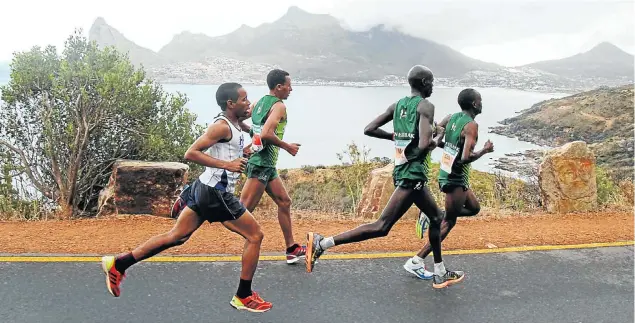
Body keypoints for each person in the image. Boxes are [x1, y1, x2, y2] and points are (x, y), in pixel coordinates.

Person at [101, 83, 273, 313]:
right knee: (255, 235)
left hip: (204, 188)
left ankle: (119, 264)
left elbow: (233, 147)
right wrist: (227, 165)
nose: (248, 102)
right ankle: (243, 295)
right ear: (230, 104)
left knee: (176, 236)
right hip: (215, 193)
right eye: (244, 99)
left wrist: (246, 151)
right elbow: (191, 153)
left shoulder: (235, 124)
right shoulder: (221, 127)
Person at [305, 65, 465, 289]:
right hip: (412, 174)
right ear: (424, 84)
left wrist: (395, 136)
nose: (433, 86)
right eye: (432, 82)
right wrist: (439, 135)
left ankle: (438, 272)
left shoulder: (397, 105)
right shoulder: (426, 106)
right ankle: (323, 243)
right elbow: (424, 145)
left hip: (403, 170)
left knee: (437, 218)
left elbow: (369, 129)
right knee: (381, 227)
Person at [404, 88, 494, 281]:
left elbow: (440, 135)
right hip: (455, 179)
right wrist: (485, 150)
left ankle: (434, 215)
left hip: (448, 173)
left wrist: (448, 145)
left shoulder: (450, 118)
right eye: (480, 100)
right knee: (448, 222)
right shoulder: (471, 125)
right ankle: (417, 260)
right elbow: (465, 157)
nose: (481, 103)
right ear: (474, 104)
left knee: (474, 208)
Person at [238, 69, 306, 264]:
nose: (291, 89)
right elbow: (267, 133)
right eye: (288, 85)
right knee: (241, 211)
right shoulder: (278, 106)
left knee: (284, 202)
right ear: (279, 87)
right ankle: (205, 215)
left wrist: (252, 139)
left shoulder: (259, 102)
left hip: (266, 165)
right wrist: (287, 147)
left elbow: (247, 123)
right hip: (260, 165)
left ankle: (291, 248)